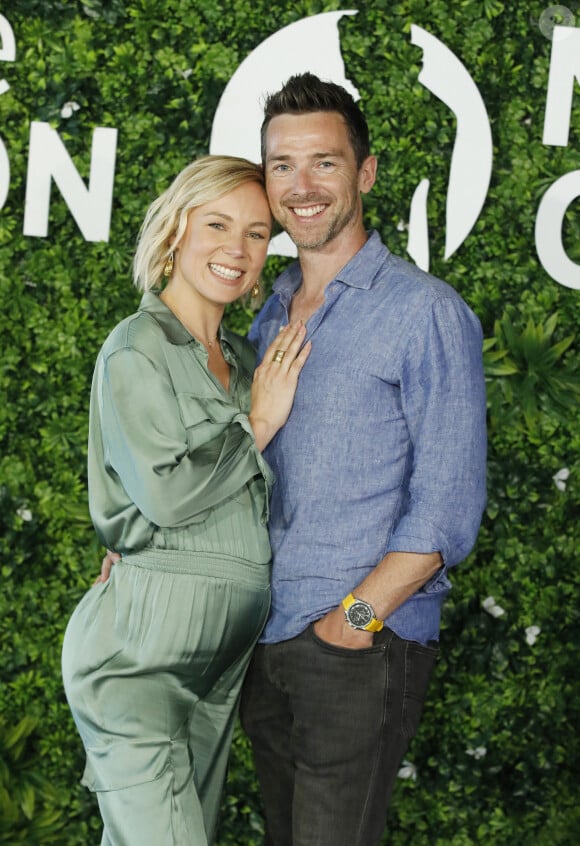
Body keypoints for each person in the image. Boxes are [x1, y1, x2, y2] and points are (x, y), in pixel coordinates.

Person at [237, 73, 487, 846]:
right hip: (266, 644)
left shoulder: (423, 311)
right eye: (282, 165)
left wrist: (349, 627)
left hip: (354, 648)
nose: (301, 186)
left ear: (366, 173)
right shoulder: (266, 314)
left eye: (325, 163)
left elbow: (447, 508)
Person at [61, 154, 310, 846]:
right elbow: (168, 495)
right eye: (218, 224)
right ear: (175, 232)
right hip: (137, 662)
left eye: (258, 234)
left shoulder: (246, 360)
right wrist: (257, 424)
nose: (237, 249)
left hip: (216, 668)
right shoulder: (136, 348)